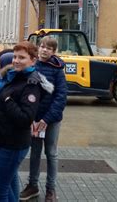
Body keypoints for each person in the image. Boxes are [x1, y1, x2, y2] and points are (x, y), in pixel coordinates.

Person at [0, 41, 51, 202]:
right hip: (2, 137)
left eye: (22, 57)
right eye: (15, 56)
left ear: (33, 60)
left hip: (13, 142)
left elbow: (25, 118)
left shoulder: (32, 84)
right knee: (7, 180)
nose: (16, 60)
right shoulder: (15, 76)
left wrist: (7, 100)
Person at [20, 36, 67, 202]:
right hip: (34, 119)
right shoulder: (32, 66)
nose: (44, 50)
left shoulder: (58, 70)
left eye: (48, 48)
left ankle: (50, 189)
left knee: (51, 153)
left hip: (51, 121)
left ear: (54, 52)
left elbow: (60, 98)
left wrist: (46, 119)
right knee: (35, 153)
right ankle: (32, 185)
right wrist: (31, 117)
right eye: (42, 46)